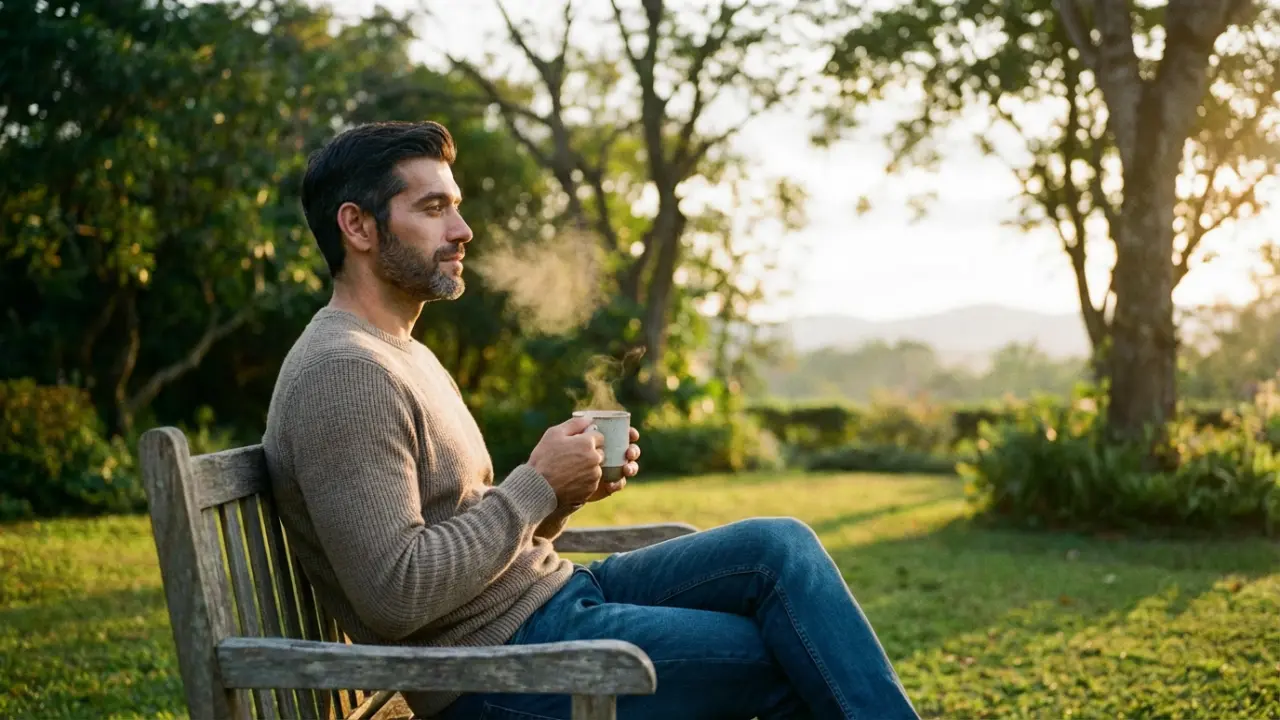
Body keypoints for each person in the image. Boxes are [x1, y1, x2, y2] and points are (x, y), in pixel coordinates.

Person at [263, 120, 919, 720]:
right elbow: (395, 592)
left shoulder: (401, 353)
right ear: (358, 227)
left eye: (455, 206)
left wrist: (561, 497)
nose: (462, 230)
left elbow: (464, 528)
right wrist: (536, 485)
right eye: (433, 208)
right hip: (496, 667)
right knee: (784, 657)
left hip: (544, 602)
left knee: (779, 549)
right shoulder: (342, 373)